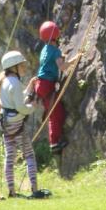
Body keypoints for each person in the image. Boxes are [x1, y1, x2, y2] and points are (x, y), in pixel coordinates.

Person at [0, 50, 50, 199]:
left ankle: (11, 191)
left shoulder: (5, 82)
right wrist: (33, 107)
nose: (24, 68)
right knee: (29, 155)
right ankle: (35, 189)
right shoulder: (15, 83)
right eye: (21, 65)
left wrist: (30, 86)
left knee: (10, 157)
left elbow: (17, 98)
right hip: (16, 124)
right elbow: (21, 107)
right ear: (14, 67)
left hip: (6, 124)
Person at [34, 21, 80, 154]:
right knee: (56, 113)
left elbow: (52, 61)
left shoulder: (45, 49)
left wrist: (61, 57)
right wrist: (75, 59)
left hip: (41, 85)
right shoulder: (55, 51)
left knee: (53, 112)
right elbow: (62, 67)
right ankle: (54, 143)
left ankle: (54, 141)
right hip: (47, 85)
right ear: (56, 36)